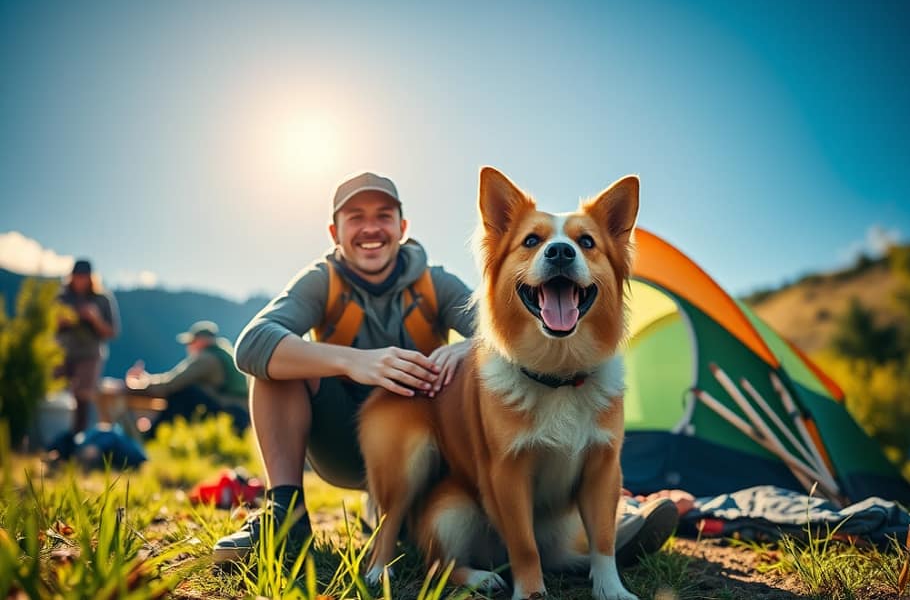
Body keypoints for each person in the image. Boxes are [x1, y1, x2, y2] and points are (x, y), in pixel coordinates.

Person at [212, 171, 679, 567]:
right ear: (335, 232)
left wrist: (469, 345)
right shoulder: (320, 281)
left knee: (491, 401)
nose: (370, 228)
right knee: (273, 368)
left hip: (431, 449)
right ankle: (286, 518)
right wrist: (357, 363)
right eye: (355, 217)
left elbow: (508, 322)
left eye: (383, 216)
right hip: (341, 442)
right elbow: (252, 344)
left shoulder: (434, 282)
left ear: (402, 227)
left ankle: (589, 535)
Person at [124, 320, 249, 433]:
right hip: (238, 412)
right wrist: (147, 379)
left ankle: (152, 435)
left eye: (191, 342)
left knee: (183, 393)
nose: (189, 347)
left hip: (229, 412)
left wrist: (137, 385)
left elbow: (171, 384)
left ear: (201, 341)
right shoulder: (222, 354)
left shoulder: (206, 359)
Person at [56, 259, 120, 433]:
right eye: (77, 276)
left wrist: (95, 319)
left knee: (83, 396)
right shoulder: (62, 297)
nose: (80, 280)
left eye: (84, 277)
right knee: (56, 393)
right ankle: (56, 435)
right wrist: (65, 320)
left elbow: (113, 331)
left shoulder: (102, 299)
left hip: (89, 355)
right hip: (61, 352)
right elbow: (48, 325)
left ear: (91, 278)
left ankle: (78, 437)